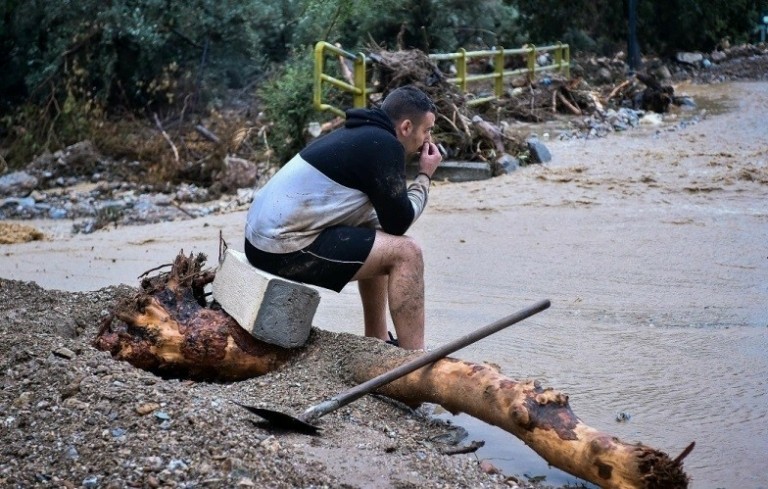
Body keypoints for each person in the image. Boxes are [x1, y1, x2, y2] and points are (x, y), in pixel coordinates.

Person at [244, 85, 442, 350]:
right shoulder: (384, 146)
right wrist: (425, 176)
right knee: (407, 253)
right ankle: (414, 361)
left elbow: (385, 222)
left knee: (378, 233)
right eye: (427, 130)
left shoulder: (361, 135)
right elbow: (400, 221)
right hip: (281, 247)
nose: (428, 140)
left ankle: (377, 339)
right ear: (406, 127)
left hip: (261, 241)